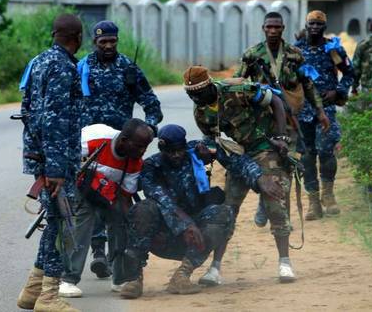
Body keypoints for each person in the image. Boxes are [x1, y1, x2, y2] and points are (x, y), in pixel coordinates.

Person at [117, 124, 282, 299]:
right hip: (163, 235)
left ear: (185, 145)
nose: (176, 155)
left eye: (180, 150)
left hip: (195, 236)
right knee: (143, 209)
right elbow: (162, 200)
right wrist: (185, 224)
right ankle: (134, 278)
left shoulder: (198, 150)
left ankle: (182, 275)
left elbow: (236, 160)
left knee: (224, 213)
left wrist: (258, 177)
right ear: (161, 149)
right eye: (171, 152)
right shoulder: (151, 166)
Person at [61, 20, 163, 296]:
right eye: (102, 42)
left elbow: (152, 103)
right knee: (87, 202)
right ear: (94, 42)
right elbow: (66, 103)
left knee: (118, 204)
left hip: (122, 146)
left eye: (112, 42)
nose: (108, 46)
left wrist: (148, 129)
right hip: (89, 145)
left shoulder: (129, 68)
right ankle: (96, 253)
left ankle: (116, 269)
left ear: (117, 41)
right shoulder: (80, 67)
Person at [183, 65, 297, 285]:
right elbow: (213, 141)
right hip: (239, 155)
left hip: (266, 145)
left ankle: (285, 262)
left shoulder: (237, 89)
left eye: (198, 93)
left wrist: (282, 137)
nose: (196, 99)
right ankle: (215, 269)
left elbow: (275, 101)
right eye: (191, 95)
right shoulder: (201, 112)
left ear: (208, 85)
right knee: (226, 210)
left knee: (275, 198)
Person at [234, 11, 329, 227]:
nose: (273, 31)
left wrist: (320, 111)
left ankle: (283, 216)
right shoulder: (252, 54)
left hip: (288, 120)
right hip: (262, 121)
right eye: (269, 27)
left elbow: (308, 84)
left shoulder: (295, 54)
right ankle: (263, 201)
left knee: (290, 164)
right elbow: (238, 83)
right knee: (267, 162)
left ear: (283, 28)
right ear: (263, 28)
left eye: (277, 27)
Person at [16, 13, 83, 312]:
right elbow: (55, 119)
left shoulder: (39, 61)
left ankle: (32, 291)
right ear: (77, 38)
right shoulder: (62, 67)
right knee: (61, 226)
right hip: (54, 161)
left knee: (55, 222)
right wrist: (55, 169)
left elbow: (27, 110)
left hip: (40, 155)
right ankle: (48, 297)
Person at [60, 119, 154, 297]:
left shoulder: (135, 162)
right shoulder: (94, 139)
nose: (142, 151)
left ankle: (119, 279)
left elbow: (125, 197)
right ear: (124, 140)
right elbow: (64, 160)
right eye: (139, 146)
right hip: (81, 183)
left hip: (109, 191)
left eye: (146, 147)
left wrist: (132, 226)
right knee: (83, 224)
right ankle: (68, 280)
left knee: (120, 224)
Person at [294, 10, 354, 220]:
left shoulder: (332, 49)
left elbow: (349, 72)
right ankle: (313, 202)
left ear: (324, 27)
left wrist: (338, 91)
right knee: (307, 155)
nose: (315, 27)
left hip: (326, 108)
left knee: (327, 151)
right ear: (306, 25)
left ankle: (328, 195)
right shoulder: (296, 50)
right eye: (311, 23)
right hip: (303, 111)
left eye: (319, 24)